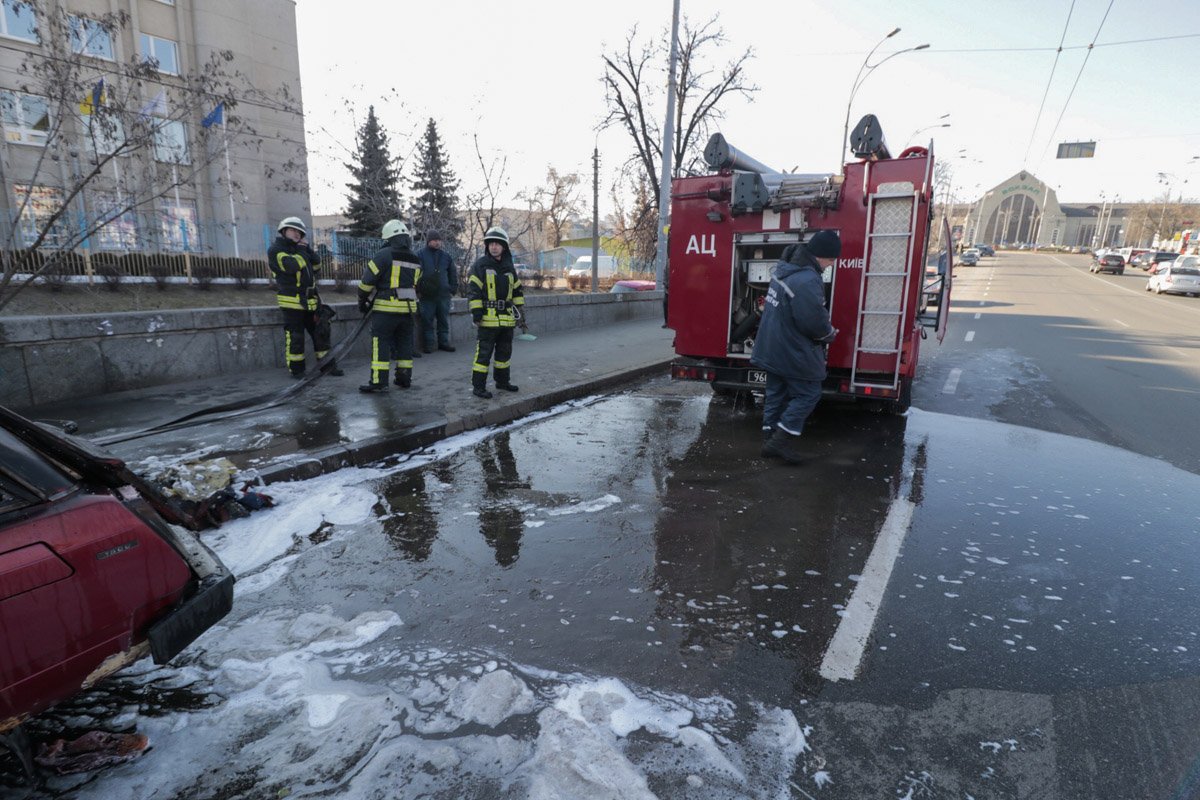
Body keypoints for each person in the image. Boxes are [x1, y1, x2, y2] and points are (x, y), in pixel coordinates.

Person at [752, 229, 841, 464]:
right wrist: (829, 334)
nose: (831, 264)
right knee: (809, 394)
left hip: (771, 346)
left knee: (776, 394)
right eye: (831, 259)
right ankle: (779, 442)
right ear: (820, 255)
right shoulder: (807, 279)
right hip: (791, 349)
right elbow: (812, 320)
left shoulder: (785, 269)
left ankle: (769, 440)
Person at [267, 216, 343, 378]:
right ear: (283, 231)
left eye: (299, 232)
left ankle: (327, 367)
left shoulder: (301, 250)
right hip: (292, 302)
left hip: (311, 301)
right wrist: (302, 252)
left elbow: (316, 266)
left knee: (321, 334)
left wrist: (308, 250)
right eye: (292, 230)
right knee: (296, 337)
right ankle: (297, 370)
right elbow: (291, 266)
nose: (296, 234)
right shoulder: (276, 250)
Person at [357, 219, 422, 393]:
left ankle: (379, 381)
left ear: (388, 238)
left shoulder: (383, 254)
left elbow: (367, 282)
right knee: (405, 344)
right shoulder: (415, 258)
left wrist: (362, 299)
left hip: (386, 310)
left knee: (381, 344)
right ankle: (404, 378)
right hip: (408, 311)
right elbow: (418, 284)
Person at [467, 226, 525, 399]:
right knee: (483, 355)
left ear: (504, 247)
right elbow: (473, 290)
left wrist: (521, 313)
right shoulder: (480, 265)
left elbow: (517, 291)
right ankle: (478, 387)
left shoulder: (509, 267)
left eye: (497, 244)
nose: (494, 247)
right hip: (487, 319)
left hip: (507, 319)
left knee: (504, 354)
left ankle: (502, 382)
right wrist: (476, 312)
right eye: (491, 243)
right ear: (487, 246)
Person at [416, 230, 458, 353]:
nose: (438, 242)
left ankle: (443, 343)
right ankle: (429, 345)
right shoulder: (420, 255)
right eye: (435, 240)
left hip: (443, 295)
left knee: (443, 320)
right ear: (429, 241)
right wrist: (418, 290)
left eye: (439, 240)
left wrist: (453, 289)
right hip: (427, 295)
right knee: (427, 321)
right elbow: (416, 273)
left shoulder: (446, 256)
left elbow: (452, 273)